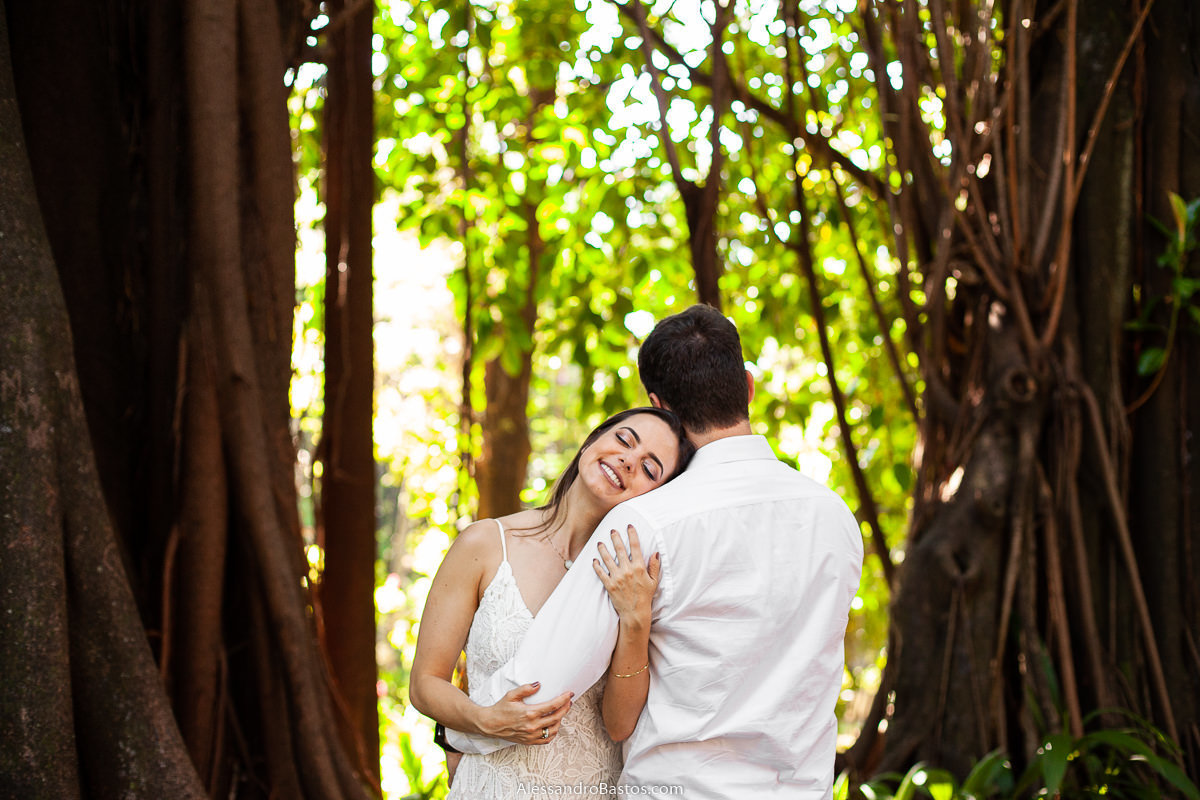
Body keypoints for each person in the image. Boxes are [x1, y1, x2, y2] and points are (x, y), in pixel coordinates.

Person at [447, 304, 865, 799]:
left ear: (659, 404)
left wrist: (458, 729)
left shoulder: (643, 524)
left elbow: (540, 684)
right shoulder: (836, 517)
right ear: (748, 386)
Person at [409, 407, 696, 798]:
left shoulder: (636, 580)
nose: (629, 460)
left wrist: (635, 618)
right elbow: (425, 684)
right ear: (593, 440)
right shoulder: (485, 544)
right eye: (624, 440)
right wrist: (484, 720)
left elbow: (619, 725)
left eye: (650, 469)